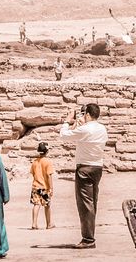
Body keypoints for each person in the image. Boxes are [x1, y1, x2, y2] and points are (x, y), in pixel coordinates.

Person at [60, 103, 107, 248]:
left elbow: (64, 136)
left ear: (87, 114)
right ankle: (90, 234)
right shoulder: (102, 128)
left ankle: (88, 239)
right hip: (97, 167)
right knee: (92, 202)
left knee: (85, 204)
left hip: (84, 168)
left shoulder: (85, 129)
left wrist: (68, 121)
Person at [30, 142, 54, 230]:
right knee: (47, 205)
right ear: (47, 152)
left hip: (36, 186)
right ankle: (49, 224)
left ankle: (34, 223)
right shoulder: (48, 162)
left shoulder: (35, 162)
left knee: (36, 204)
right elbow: (49, 176)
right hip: (45, 187)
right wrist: (51, 188)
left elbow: (33, 173)